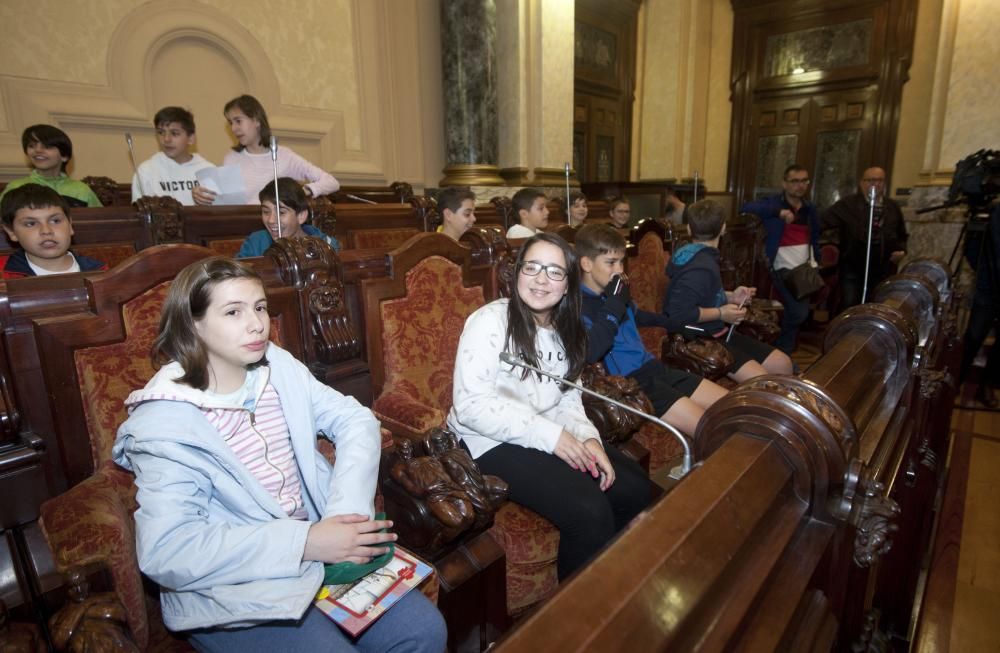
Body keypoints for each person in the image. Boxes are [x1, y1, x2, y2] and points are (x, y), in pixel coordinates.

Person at [112, 257, 446, 652]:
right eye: (233, 312)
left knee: (424, 631)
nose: (256, 323)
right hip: (233, 585)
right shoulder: (166, 421)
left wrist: (344, 513)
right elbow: (168, 551)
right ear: (193, 324)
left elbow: (355, 420)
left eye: (259, 307)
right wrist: (304, 542)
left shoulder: (277, 366)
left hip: (321, 549)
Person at [448, 232, 650, 580]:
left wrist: (587, 438)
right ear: (517, 273)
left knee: (633, 487)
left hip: (544, 429)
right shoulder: (489, 321)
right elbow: (471, 406)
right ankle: (571, 620)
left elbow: (568, 394)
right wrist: (552, 437)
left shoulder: (565, 329)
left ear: (569, 283)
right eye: (533, 267)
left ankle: (614, 580)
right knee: (588, 510)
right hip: (487, 440)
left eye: (555, 271)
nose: (542, 279)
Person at [577, 224, 727, 437]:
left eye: (621, 262)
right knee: (711, 428)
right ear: (586, 263)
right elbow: (593, 350)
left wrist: (679, 324)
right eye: (611, 263)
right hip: (631, 383)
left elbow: (638, 316)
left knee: (730, 405)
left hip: (653, 368)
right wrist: (615, 303)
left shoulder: (616, 291)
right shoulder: (580, 305)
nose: (619, 270)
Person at [662, 200, 793, 382]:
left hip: (717, 332)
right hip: (699, 338)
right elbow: (678, 313)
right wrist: (721, 313)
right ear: (723, 228)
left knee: (782, 363)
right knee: (761, 380)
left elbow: (701, 293)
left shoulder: (698, 256)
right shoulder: (701, 266)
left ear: (689, 229)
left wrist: (730, 296)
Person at [194, 95, 340, 205]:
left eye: (238, 121)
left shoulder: (284, 155)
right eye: (230, 123)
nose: (233, 128)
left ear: (256, 120)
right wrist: (203, 195)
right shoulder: (231, 158)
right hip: (240, 229)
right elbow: (225, 200)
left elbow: (331, 182)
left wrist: (303, 191)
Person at [741, 164, 821, 355]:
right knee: (798, 311)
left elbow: (815, 236)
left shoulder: (810, 209)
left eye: (804, 181)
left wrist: (817, 260)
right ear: (785, 184)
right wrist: (779, 213)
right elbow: (746, 207)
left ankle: (785, 351)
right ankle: (781, 349)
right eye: (795, 181)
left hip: (803, 269)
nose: (800, 186)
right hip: (779, 266)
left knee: (798, 313)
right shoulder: (774, 204)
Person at [822, 167, 908, 312]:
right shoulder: (848, 205)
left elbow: (901, 235)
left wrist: (901, 251)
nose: (875, 184)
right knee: (849, 305)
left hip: (883, 268)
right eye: (870, 180)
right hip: (853, 267)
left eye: (879, 180)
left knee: (876, 306)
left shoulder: (892, 207)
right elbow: (823, 222)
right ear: (862, 183)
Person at [1, 184, 106, 279]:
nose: (46, 231)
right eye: (31, 224)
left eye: (55, 221)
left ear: (70, 225)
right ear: (12, 232)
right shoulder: (3, 274)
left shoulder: (100, 272)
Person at [0, 125, 101, 208]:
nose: (37, 150)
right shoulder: (15, 187)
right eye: (32, 146)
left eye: (47, 146)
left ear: (64, 156)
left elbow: (102, 222)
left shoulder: (81, 190)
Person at [236, 178, 341, 258]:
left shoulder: (325, 246)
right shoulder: (255, 243)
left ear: (301, 216)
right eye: (266, 212)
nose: (271, 220)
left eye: (281, 212)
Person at [131, 106, 215, 205]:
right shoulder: (146, 170)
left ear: (191, 139)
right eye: (161, 132)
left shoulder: (208, 170)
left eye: (174, 133)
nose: (166, 139)